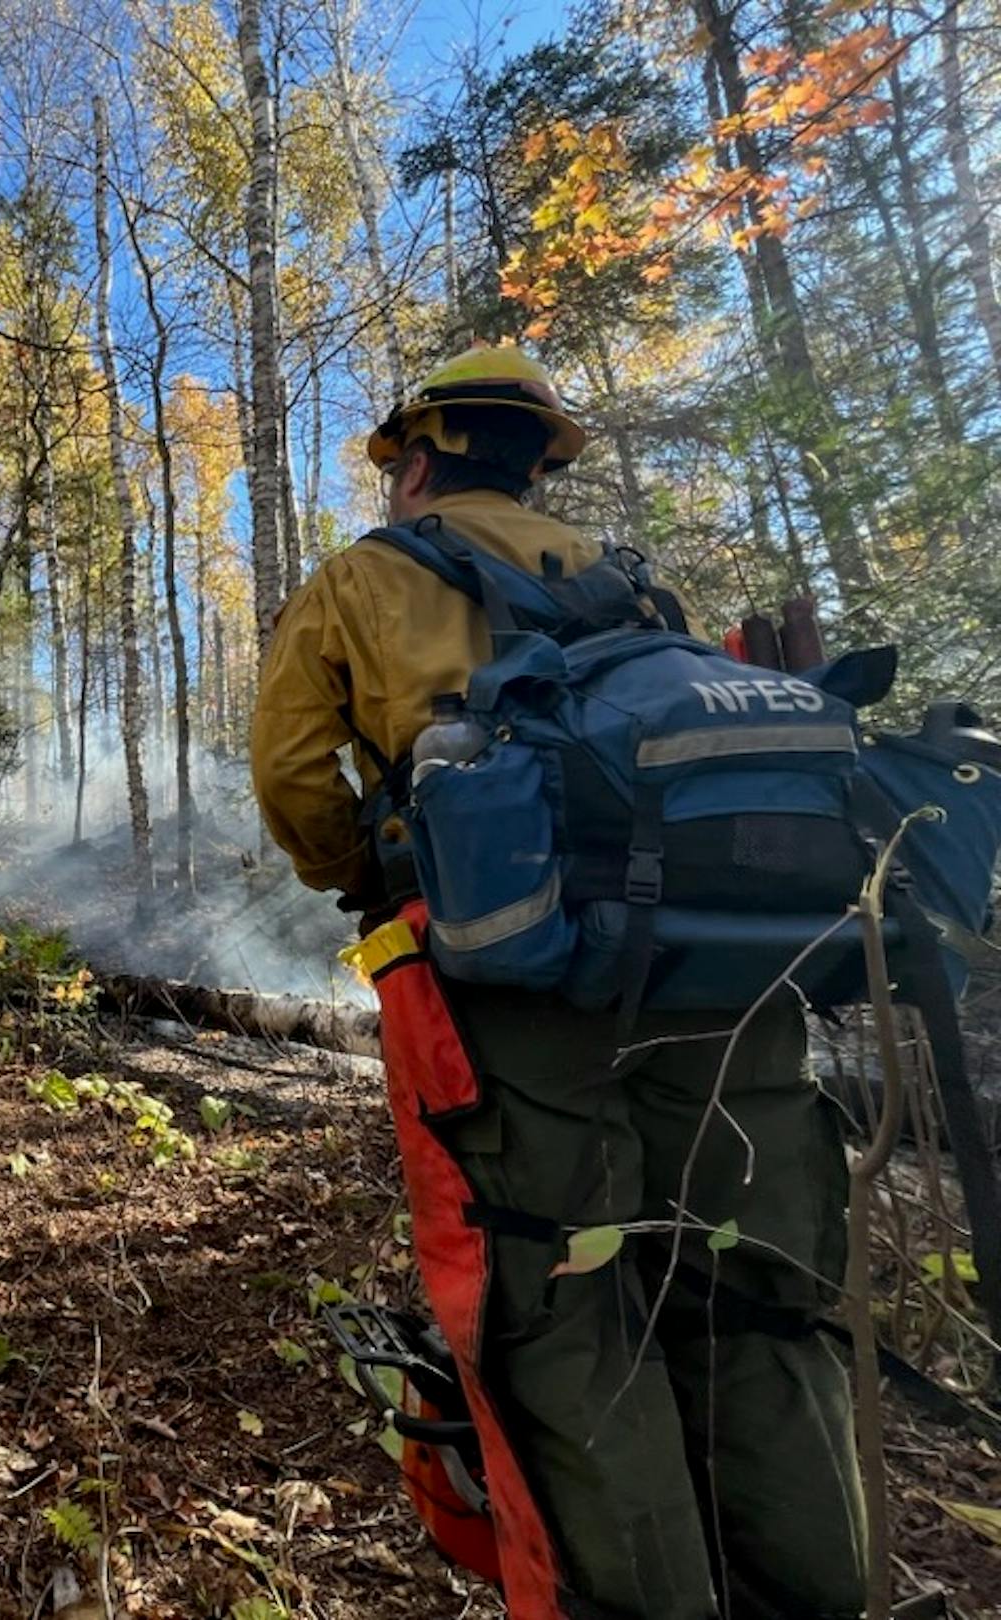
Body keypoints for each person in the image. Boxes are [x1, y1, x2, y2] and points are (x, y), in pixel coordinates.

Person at [250, 346, 865, 1620]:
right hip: (721, 983)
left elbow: (295, 779)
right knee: (747, 1291)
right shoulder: (634, 589)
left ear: (419, 460)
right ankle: (814, 1592)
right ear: (536, 462)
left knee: (568, 1305)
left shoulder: (365, 577)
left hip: (514, 994)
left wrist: (364, 878)